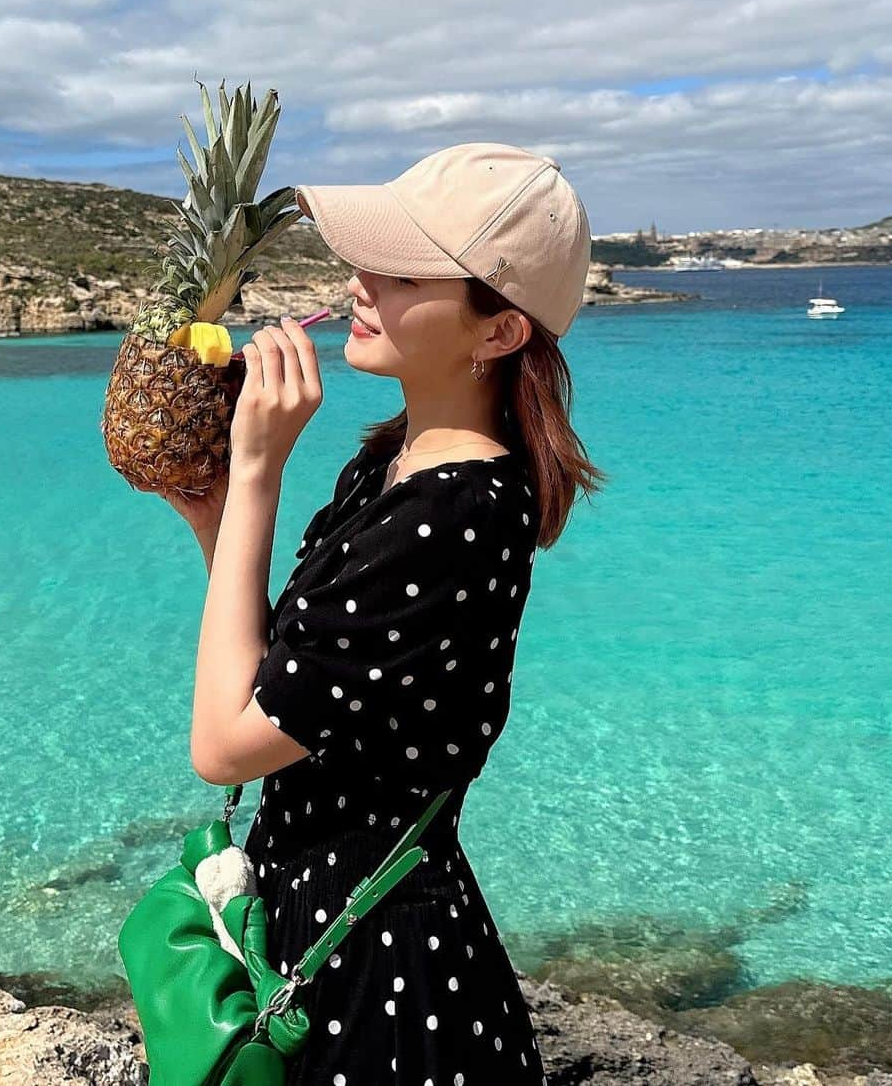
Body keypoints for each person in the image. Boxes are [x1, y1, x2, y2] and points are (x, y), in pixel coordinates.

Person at [166, 142, 606, 1085]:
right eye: (369, 260)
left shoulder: (457, 512)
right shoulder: (396, 456)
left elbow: (224, 746)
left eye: (404, 272)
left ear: (498, 333)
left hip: (381, 974)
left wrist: (257, 473)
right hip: (322, 915)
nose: (360, 283)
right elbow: (293, 670)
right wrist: (221, 523)